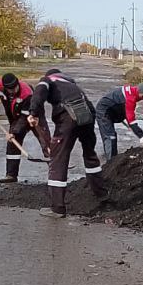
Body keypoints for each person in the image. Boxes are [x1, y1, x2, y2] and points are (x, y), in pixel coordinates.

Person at [28, 68, 108, 218]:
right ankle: (101, 194)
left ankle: (57, 208)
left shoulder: (48, 80)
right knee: (90, 155)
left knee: (58, 160)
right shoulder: (71, 83)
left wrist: (33, 113)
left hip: (68, 116)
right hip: (87, 114)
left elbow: (39, 93)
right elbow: (90, 107)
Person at [0, 73, 52, 183]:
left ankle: (56, 171)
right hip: (16, 117)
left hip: (34, 115)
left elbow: (24, 118)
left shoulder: (26, 93)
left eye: (15, 88)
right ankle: (11, 175)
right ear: (5, 87)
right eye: (10, 89)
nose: (13, 91)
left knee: (45, 141)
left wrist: (13, 132)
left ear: (17, 83)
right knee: (12, 143)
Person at [95, 82, 143, 160]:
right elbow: (131, 119)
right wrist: (141, 136)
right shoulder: (130, 98)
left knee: (111, 136)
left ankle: (111, 155)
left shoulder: (131, 91)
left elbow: (125, 110)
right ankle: (111, 162)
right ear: (141, 93)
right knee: (110, 137)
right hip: (103, 111)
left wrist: (126, 121)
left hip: (112, 110)